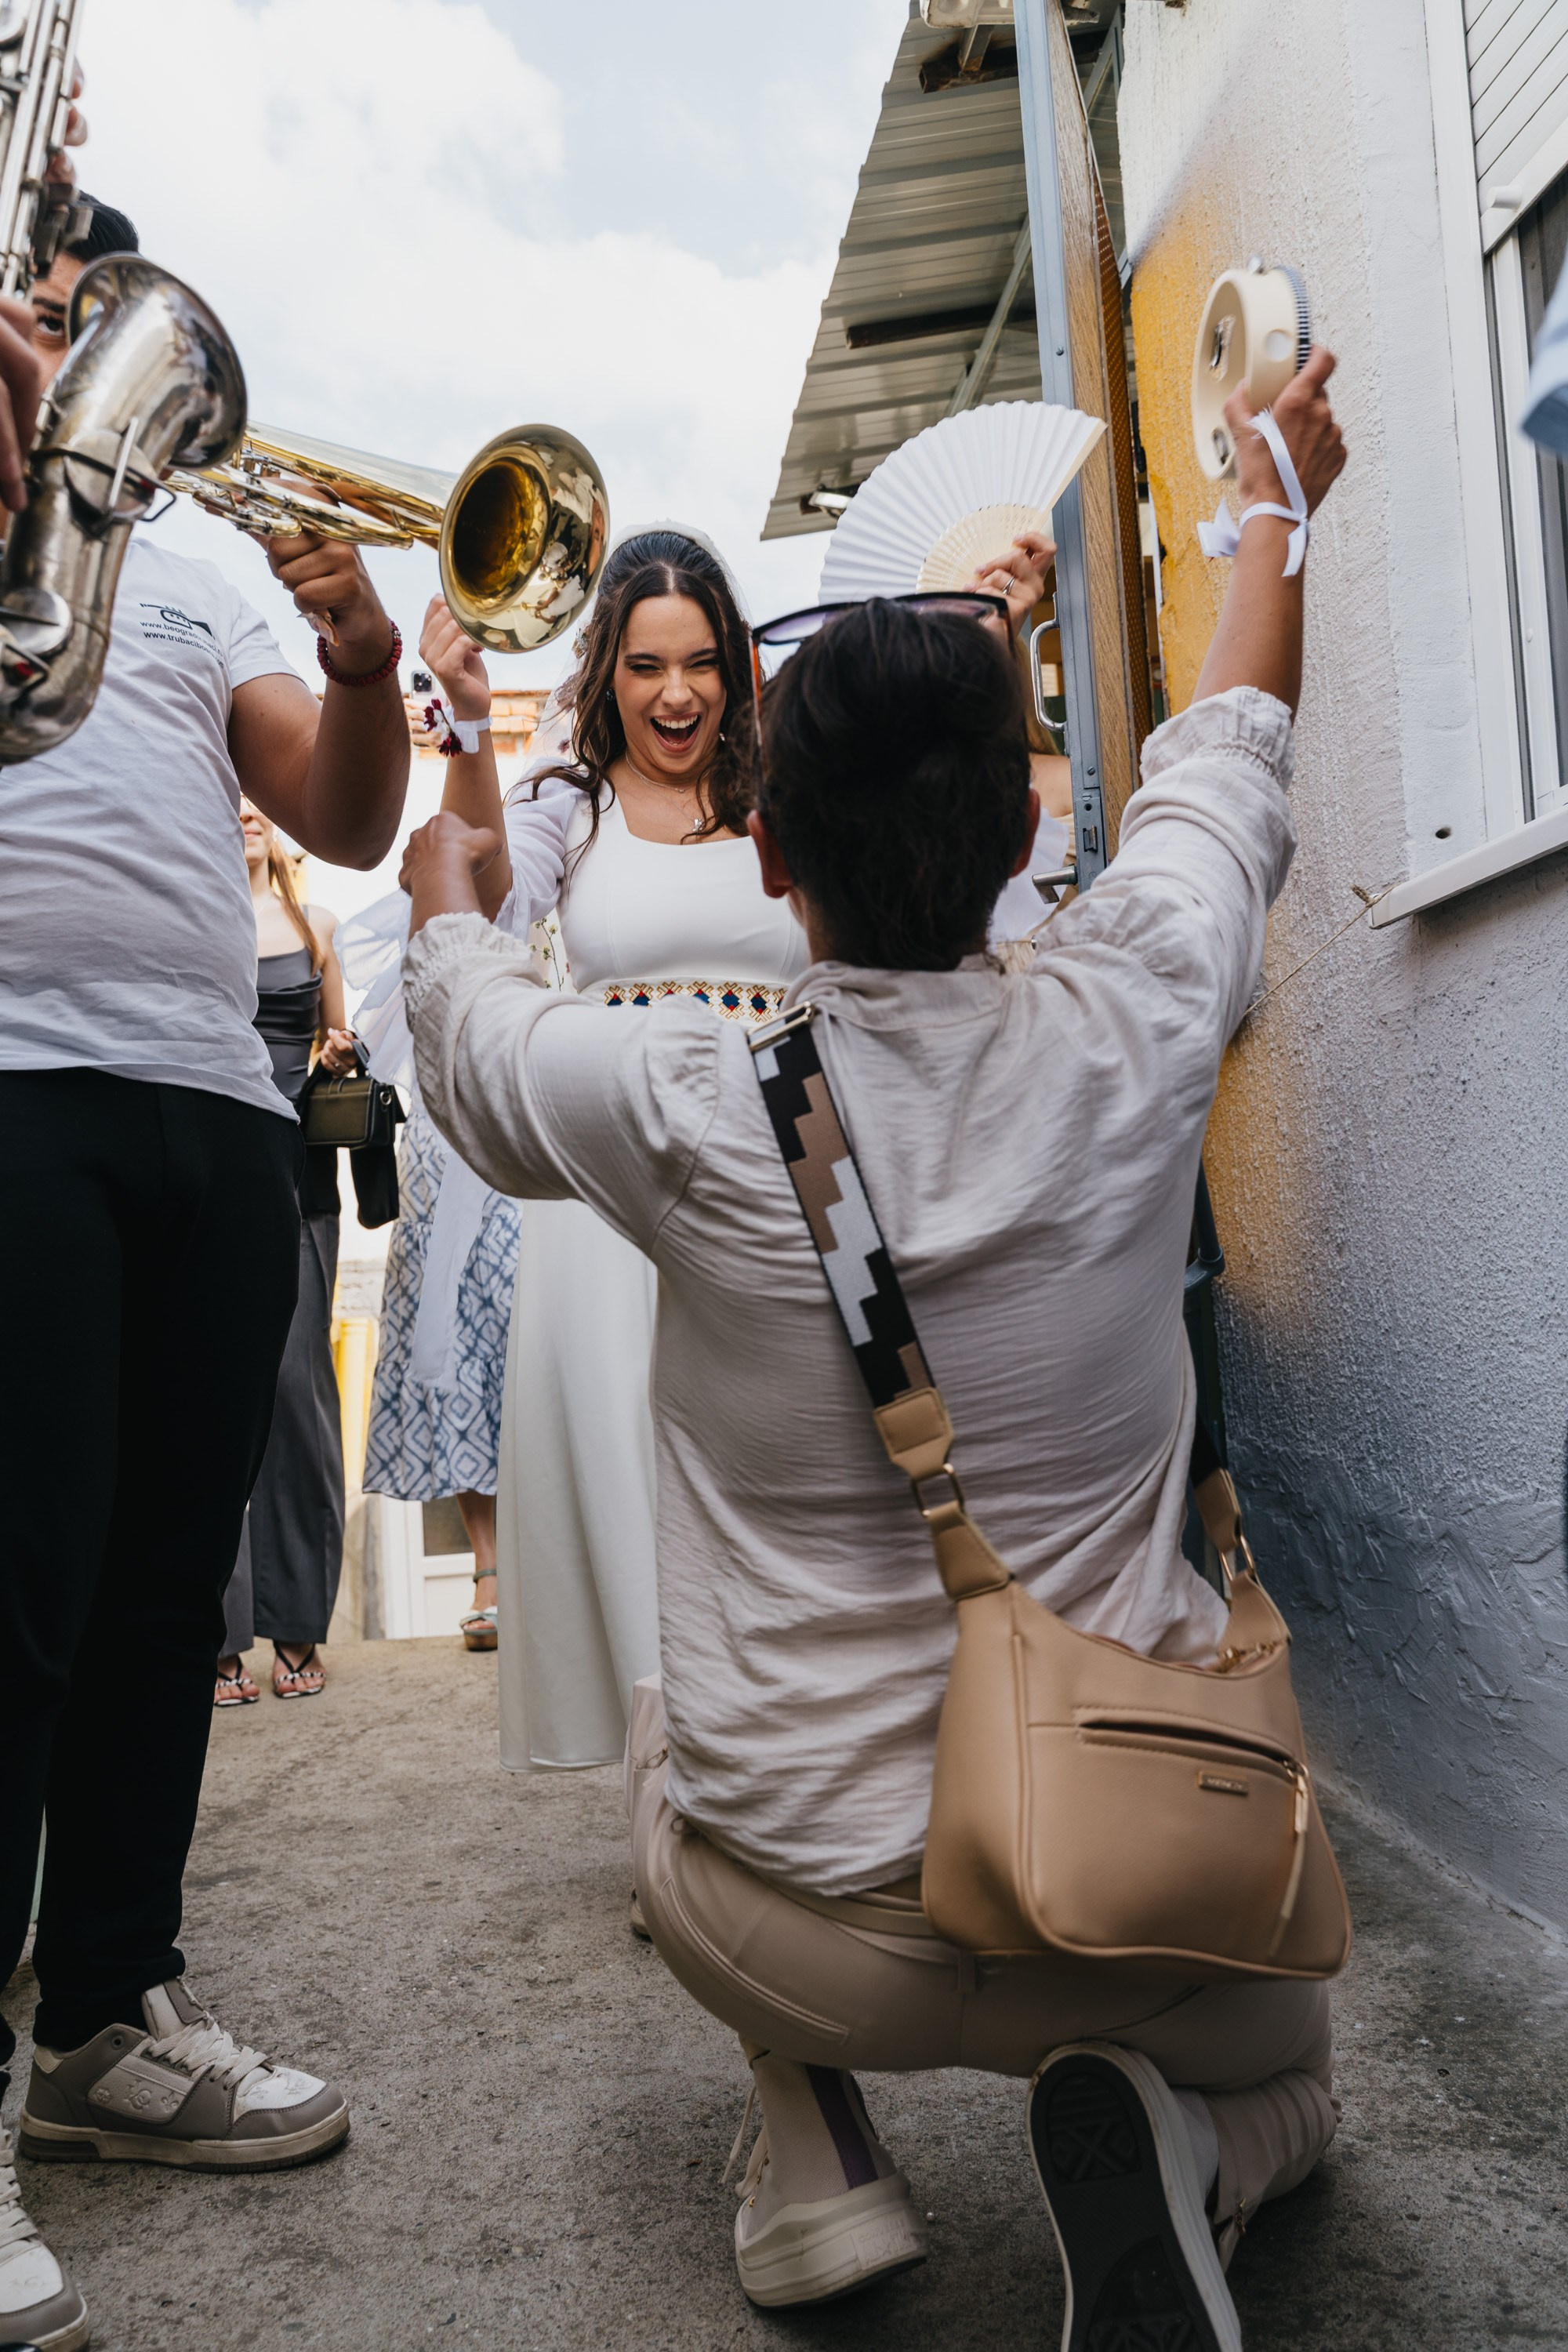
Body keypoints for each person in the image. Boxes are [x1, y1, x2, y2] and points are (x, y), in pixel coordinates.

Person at [397, 348, 1347, 2347]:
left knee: (663, 1734)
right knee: (1298, 2070)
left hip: (814, 1920)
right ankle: (1193, 2153)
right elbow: (1227, 756)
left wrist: (453, 894)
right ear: (1017, 830)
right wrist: (1269, 500)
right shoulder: (1139, 1006)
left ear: (769, 855)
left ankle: (822, 2155)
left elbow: (472, 1043)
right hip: (1141, 1894)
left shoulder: (678, 1100)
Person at [0, 193, 408, 2352]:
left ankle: (101, 2020)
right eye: (43, 300)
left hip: (205, 1103)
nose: (63, 336)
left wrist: (362, 669)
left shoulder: (206, 556)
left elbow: (337, 819)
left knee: (169, 1595)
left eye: (86, 311)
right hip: (13, 1091)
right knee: (16, 1600)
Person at [215, 800, 358, 1708]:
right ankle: (216, 1639)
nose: (245, 812)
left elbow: (336, 1046)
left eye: (258, 800)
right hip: (213, 1168)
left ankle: (298, 1624)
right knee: (204, 1395)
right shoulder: (192, 915)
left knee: (298, 1398)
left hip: (300, 1179)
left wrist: (338, 1053)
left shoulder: (321, 927)